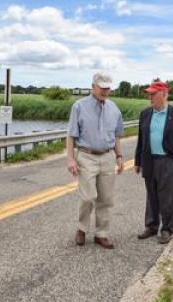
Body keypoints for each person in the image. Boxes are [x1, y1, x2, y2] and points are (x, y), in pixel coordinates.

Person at [66, 73, 124, 249]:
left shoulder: (114, 109)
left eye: (108, 88)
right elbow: (70, 136)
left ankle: (102, 234)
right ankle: (82, 229)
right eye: (102, 87)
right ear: (93, 86)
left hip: (107, 156)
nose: (105, 91)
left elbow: (117, 136)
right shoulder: (79, 107)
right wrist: (70, 160)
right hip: (86, 156)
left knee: (106, 198)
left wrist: (120, 156)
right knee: (88, 197)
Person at [135, 80, 173, 244]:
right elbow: (141, 139)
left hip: (167, 160)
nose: (150, 97)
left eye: (153, 94)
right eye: (149, 94)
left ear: (164, 94)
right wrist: (138, 161)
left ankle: (167, 229)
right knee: (151, 195)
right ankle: (151, 226)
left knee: (168, 197)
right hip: (149, 160)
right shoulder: (145, 113)